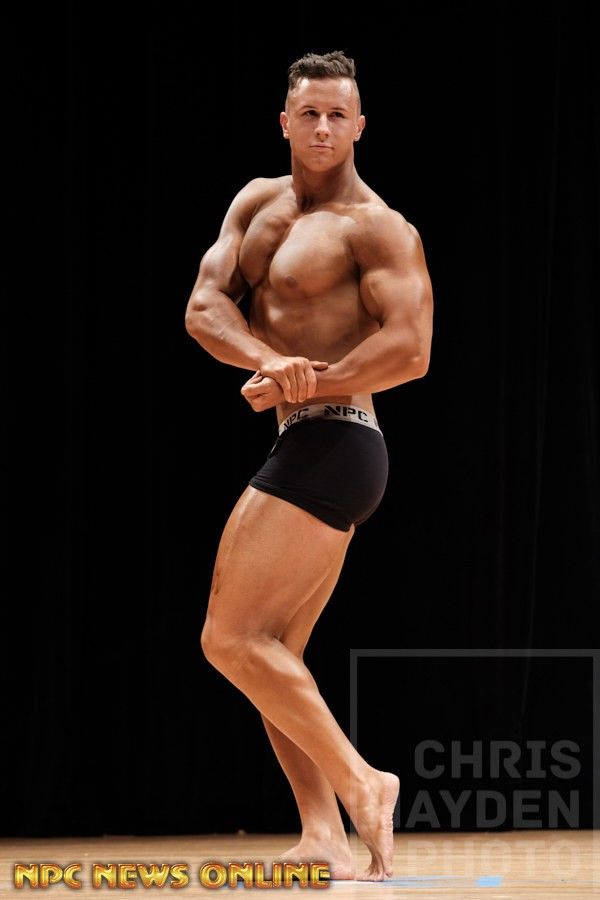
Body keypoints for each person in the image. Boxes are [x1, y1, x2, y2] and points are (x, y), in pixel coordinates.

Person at [185, 50, 433, 881]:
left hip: (341, 440)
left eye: (337, 115)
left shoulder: (379, 227)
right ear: (285, 123)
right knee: (276, 655)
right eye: (310, 114)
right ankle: (322, 832)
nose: (323, 128)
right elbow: (204, 308)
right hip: (305, 440)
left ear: (359, 127)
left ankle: (364, 781)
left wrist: (309, 379)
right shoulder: (256, 205)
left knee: (228, 638)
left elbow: (412, 350)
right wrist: (268, 359)